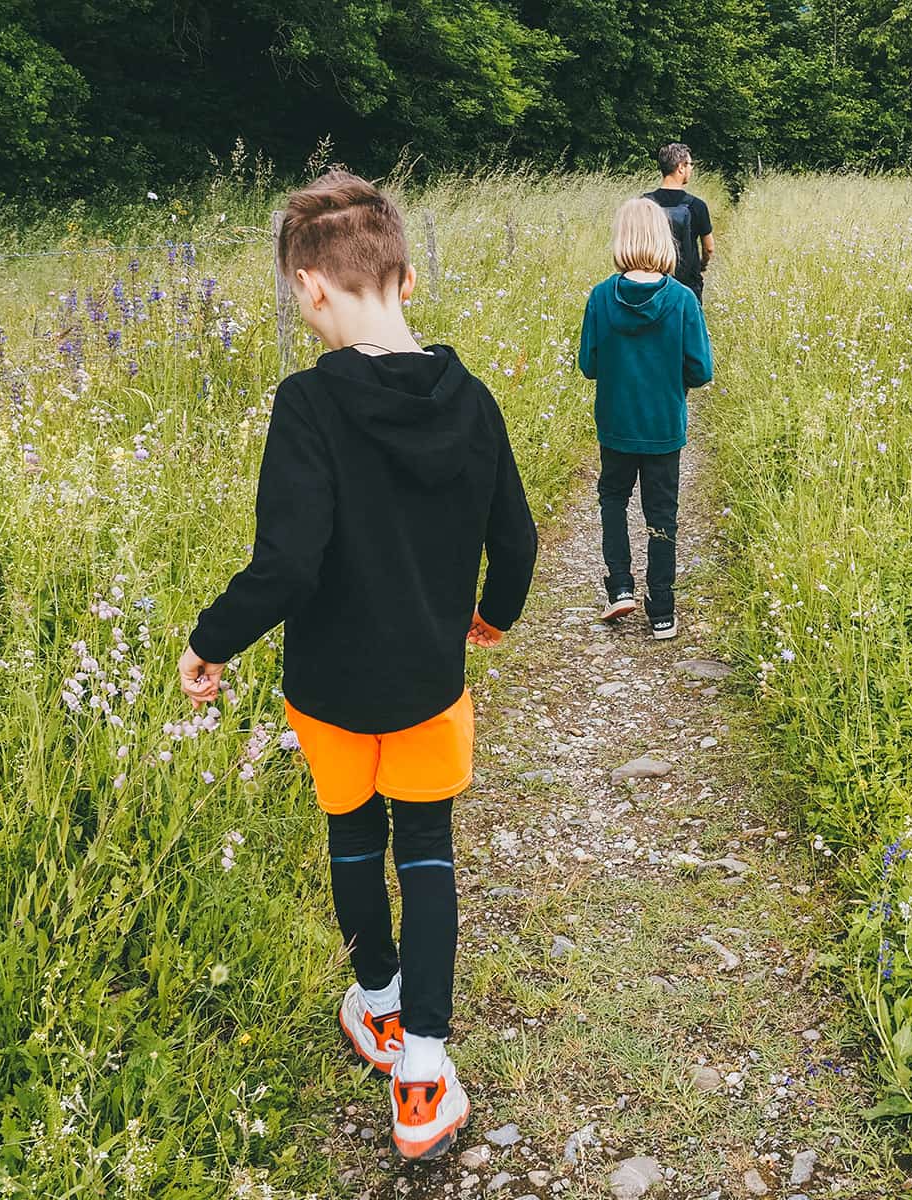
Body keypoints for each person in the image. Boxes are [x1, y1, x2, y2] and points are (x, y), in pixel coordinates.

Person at [177, 169, 537, 1162]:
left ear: (309, 291)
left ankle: (374, 1000)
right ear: (408, 278)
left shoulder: (308, 406)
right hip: (429, 683)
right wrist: (492, 621)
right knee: (427, 859)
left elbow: (288, 565)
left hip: (331, 690)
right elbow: (517, 537)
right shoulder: (472, 403)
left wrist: (208, 641)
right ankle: (422, 1071)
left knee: (350, 835)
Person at [577, 197, 713, 639]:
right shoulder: (682, 300)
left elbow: (589, 365)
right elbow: (701, 369)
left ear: (621, 238)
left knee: (613, 499)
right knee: (662, 513)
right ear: (664, 240)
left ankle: (619, 587)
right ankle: (663, 610)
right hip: (663, 427)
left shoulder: (601, 296)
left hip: (616, 424)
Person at [643, 142, 714, 301]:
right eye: (690, 164)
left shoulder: (644, 203)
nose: (691, 168)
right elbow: (709, 248)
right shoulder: (697, 206)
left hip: (650, 283)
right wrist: (702, 264)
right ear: (680, 167)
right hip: (688, 285)